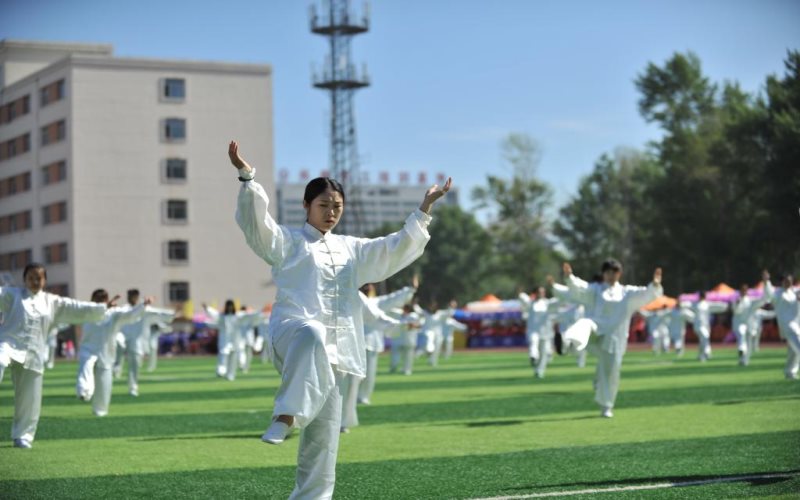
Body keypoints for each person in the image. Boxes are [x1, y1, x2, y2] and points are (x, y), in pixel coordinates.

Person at [229, 140, 449, 499]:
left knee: (325, 437)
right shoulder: (288, 241)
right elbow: (258, 224)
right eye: (324, 205)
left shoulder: (352, 248)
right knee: (313, 331)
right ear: (306, 206)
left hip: (335, 353)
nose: (331, 212)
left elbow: (394, 247)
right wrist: (247, 176)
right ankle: (285, 416)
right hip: (292, 334)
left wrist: (424, 208)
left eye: (337, 207)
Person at [0, 263, 107, 448]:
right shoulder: (12, 295)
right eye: (31, 277)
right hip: (7, 344)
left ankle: (23, 435)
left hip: (34, 351)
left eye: (38, 278)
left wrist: (101, 308)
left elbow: (76, 307)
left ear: (45, 280)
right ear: (24, 279)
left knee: (30, 395)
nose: (34, 281)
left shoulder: (52, 302)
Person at [552, 259, 662, 418]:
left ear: (619, 274)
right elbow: (580, 288)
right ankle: (566, 343)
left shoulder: (627, 292)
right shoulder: (595, 289)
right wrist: (570, 277)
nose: (611, 276)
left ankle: (606, 406)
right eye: (608, 272)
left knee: (610, 373)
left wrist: (655, 285)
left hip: (614, 338)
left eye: (614, 272)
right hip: (596, 332)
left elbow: (645, 293)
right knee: (584, 323)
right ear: (603, 273)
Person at [340, 288, 405, 433]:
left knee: (355, 379)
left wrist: (410, 290)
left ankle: (345, 419)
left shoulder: (367, 299)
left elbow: (389, 302)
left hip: (358, 344)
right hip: (332, 344)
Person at [77, 290, 151, 416]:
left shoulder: (114, 314)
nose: (99, 302)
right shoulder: (87, 311)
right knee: (86, 367)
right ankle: (84, 392)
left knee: (104, 384)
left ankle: (100, 411)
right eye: (97, 300)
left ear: (106, 300)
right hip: (88, 350)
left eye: (102, 300)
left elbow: (130, 315)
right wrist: (102, 308)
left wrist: (143, 305)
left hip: (106, 353)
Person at [357, 282, 417, 405]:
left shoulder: (376, 302)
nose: (367, 288)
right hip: (351, 342)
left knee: (369, 372)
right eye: (364, 285)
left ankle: (363, 396)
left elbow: (393, 298)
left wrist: (410, 289)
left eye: (369, 285)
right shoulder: (349, 300)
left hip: (370, 341)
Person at [118, 289, 176, 396]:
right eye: (129, 296)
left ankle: (133, 388)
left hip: (136, 341)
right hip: (122, 337)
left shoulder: (145, 308)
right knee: (118, 345)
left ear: (136, 297)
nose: (130, 298)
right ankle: (116, 367)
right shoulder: (123, 308)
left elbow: (158, 312)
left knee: (135, 365)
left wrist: (172, 313)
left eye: (132, 296)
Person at [204, 301, 262, 380]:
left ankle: (230, 375)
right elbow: (214, 314)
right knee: (223, 357)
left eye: (231, 306)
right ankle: (221, 371)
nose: (230, 308)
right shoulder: (222, 317)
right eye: (228, 306)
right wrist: (207, 308)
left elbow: (248, 316)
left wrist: (259, 312)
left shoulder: (238, 316)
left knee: (233, 359)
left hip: (235, 341)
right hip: (225, 341)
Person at [518, 286, 561, 378]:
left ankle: (539, 371)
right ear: (535, 293)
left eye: (543, 292)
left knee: (544, 352)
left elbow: (559, 301)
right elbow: (523, 298)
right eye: (539, 292)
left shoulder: (548, 303)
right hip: (533, 330)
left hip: (546, 332)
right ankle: (533, 357)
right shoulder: (531, 303)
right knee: (534, 342)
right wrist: (520, 293)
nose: (541, 294)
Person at [732, 272, 771, 366]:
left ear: (747, 291)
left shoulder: (751, 301)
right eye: (742, 290)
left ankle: (744, 360)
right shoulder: (735, 300)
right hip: (739, 324)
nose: (743, 291)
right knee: (741, 335)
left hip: (749, 324)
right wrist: (738, 303)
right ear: (740, 290)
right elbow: (736, 311)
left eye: (745, 290)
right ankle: (741, 349)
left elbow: (764, 299)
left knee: (748, 343)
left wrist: (766, 283)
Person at [767, 273, 800, 379]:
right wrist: (766, 281)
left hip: (796, 323)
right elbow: (769, 293)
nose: (788, 282)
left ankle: (790, 372)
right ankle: (790, 371)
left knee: (793, 350)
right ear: (782, 282)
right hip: (786, 325)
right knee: (798, 343)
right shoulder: (777, 293)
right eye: (786, 280)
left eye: (790, 280)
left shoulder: (794, 292)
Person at [689, 291, 728, 362]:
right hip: (698, 326)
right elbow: (687, 305)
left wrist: (725, 305)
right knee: (705, 337)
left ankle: (701, 356)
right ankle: (707, 352)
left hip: (706, 326)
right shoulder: (695, 304)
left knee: (702, 340)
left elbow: (717, 306)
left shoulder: (706, 304)